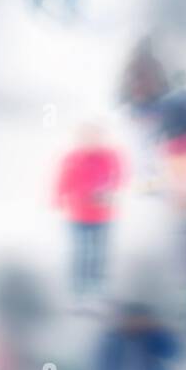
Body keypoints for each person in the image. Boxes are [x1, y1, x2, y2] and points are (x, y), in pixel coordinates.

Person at [54, 123, 124, 300]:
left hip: (103, 215)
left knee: (100, 252)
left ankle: (98, 285)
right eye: (86, 137)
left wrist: (108, 191)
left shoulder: (110, 156)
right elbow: (62, 180)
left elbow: (119, 177)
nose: (91, 141)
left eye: (95, 136)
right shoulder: (72, 157)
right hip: (78, 215)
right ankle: (78, 288)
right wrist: (58, 199)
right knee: (80, 251)